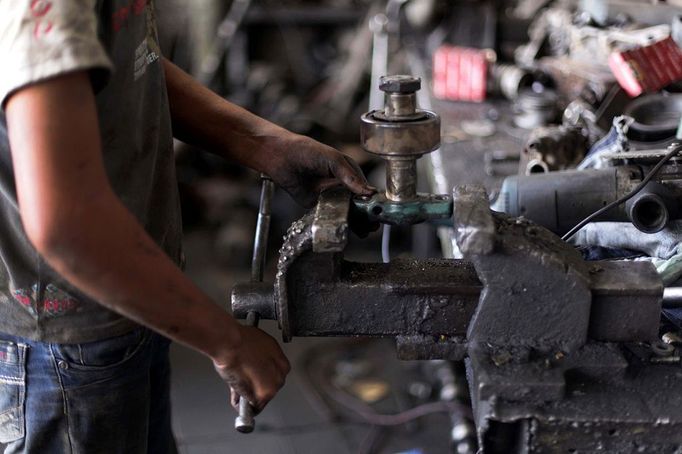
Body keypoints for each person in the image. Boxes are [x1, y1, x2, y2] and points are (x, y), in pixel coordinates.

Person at [0, 1, 374, 452]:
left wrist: (265, 145)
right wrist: (227, 342)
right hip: (68, 344)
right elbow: (66, 225)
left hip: (136, 296)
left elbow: (127, 63)